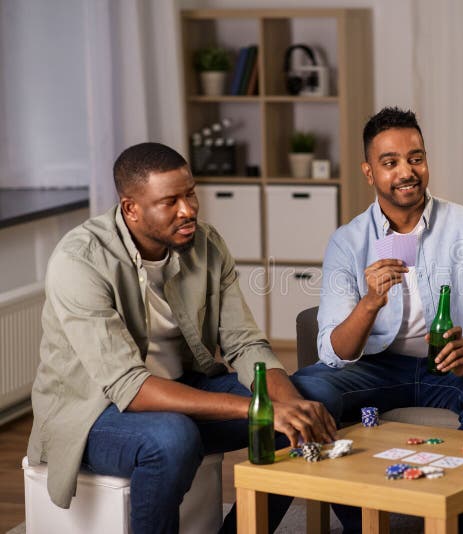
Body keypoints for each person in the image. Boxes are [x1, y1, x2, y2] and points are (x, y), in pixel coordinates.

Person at [26, 142, 336, 534]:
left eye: (190, 193)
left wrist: (292, 406)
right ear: (131, 208)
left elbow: (244, 344)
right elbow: (129, 386)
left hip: (182, 390)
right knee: (172, 438)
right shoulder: (79, 261)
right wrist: (258, 409)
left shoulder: (205, 243)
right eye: (169, 201)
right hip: (93, 414)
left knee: (317, 397)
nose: (188, 209)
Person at [291, 106, 463, 531]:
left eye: (416, 158)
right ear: (369, 173)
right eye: (390, 163)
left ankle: (456, 521)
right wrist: (370, 302)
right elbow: (334, 352)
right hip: (377, 367)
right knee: (306, 387)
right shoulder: (348, 241)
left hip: (451, 366)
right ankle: (362, 522)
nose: (406, 172)